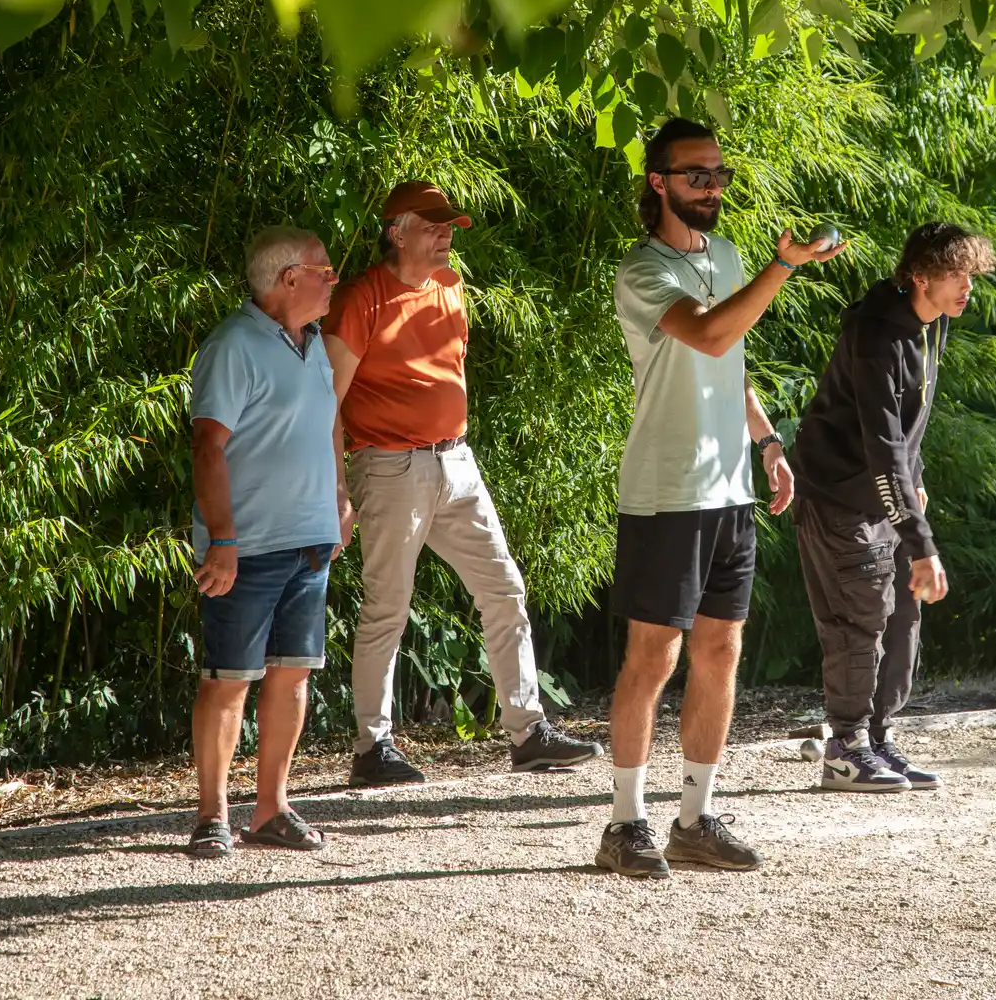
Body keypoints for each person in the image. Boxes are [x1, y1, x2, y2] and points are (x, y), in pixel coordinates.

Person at [595, 118, 846, 880]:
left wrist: (766, 442)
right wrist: (784, 267)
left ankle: (695, 820)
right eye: (696, 174)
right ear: (658, 181)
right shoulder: (642, 269)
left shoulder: (727, 256)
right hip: (667, 489)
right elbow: (706, 334)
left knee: (720, 651)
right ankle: (624, 824)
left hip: (729, 487)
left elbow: (729, 358)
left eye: (718, 174)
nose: (711, 186)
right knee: (653, 657)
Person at [328, 180, 602, 786]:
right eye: (431, 226)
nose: (445, 234)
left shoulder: (451, 286)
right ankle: (372, 748)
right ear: (396, 233)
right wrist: (337, 491)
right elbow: (329, 401)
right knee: (387, 607)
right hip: (390, 467)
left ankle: (528, 733)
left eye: (448, 225)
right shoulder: (360, 298)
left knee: (504, 588)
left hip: (457, 460)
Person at [788, 222, 996, 792]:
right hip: (839, 497)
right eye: (956, 275)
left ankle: (878, 738)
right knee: (860, 620)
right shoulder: (877, 333)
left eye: (971, 275)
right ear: (921, 277)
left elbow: (911, 427)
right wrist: (922, 542)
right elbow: (882, 444)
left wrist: (917, 482)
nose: (967, 287)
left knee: (904, 619)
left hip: (887, 494)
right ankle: (845, 748)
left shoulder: (931, 325)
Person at [187, 227, 344, 858]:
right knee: (229, 679)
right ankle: (212, 816)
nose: (334, 281)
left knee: (293, 675)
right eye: (325, 272)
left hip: (310, 541)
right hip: (247, 546)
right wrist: (222, 538)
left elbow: (329, 422)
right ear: (288, 279)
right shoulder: (233, 345)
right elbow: (207, 444)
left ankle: (271, 808)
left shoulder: (316, 344)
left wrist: (339, 498)